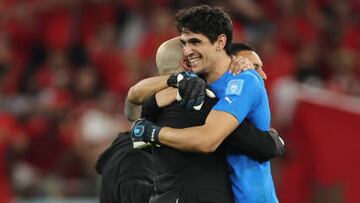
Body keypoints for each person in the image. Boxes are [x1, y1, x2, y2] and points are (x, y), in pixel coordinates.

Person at [130, 5, 279, 202]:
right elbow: (134, 94)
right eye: (184, 43)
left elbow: (207, 140)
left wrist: (152, 133)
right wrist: (174, 80)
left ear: (220, 42)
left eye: (195, 42)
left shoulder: (243, 80)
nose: (188, 50)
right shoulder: (198, 83)